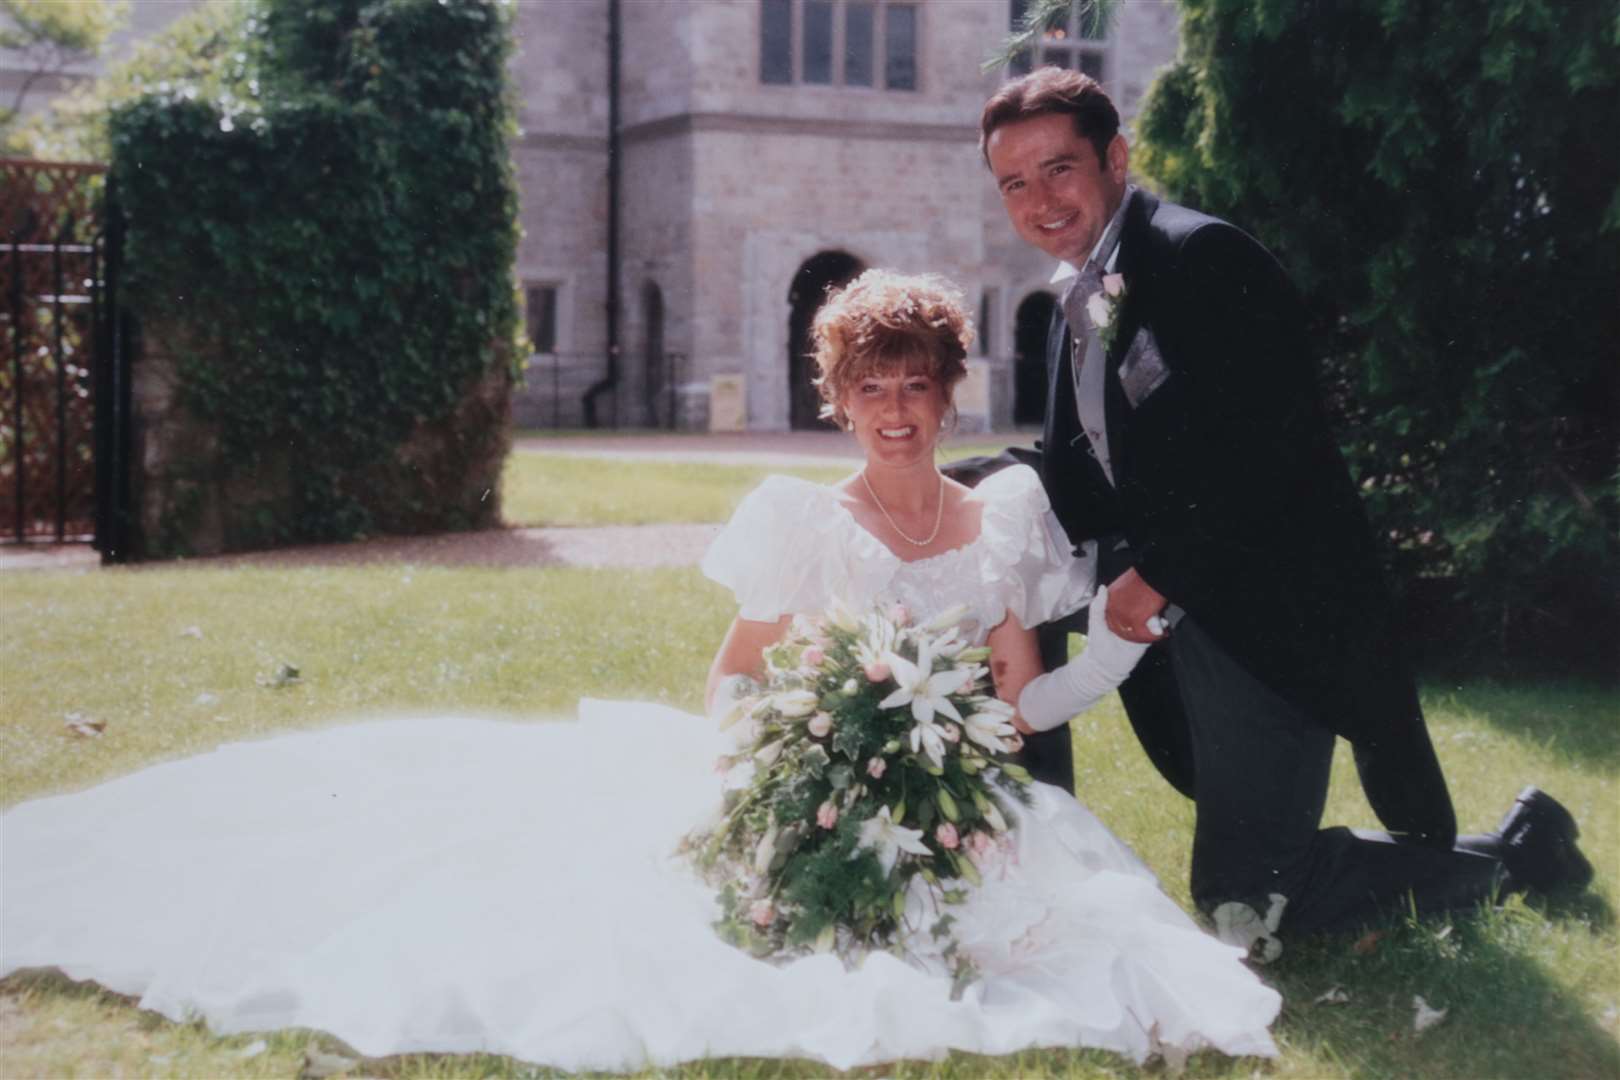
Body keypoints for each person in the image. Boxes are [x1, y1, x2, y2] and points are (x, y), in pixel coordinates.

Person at [1, 270, 1280, 1071]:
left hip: (945, 799)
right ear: (839, 400)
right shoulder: (803, 520)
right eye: (870, 386)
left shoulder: (998, 521)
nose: (896, 408)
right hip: (815, 781)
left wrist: (1112, 647)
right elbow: (733, 675)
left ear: (951, 394)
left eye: (917, 385)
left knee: (1045, 940)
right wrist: (779, 763)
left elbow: (1019, 700)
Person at [971, 66, 1592, 951]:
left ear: (1115, 157)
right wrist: (930, 495)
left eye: (1059, 168)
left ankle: (1519, 855)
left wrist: (1154, 576)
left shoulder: (1200, 257)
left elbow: (1268, 461)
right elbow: (1084, 478)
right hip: (1175, 594)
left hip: (1268, 615)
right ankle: (1028, 851)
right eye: (1015, 184)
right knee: (957, 558)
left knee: (1247, 905)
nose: (1041, 200)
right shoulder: (1076, 298)